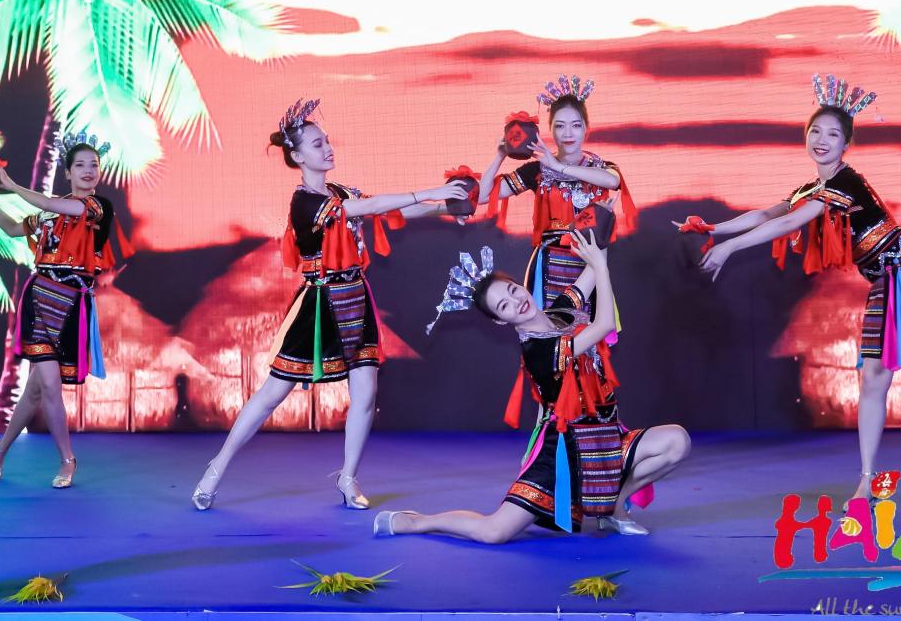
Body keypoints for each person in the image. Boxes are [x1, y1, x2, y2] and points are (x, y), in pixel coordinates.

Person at [682, 75, 901, 505]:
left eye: (832, 134)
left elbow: (788, 223)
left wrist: (729, 248)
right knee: (873, 379)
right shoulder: (811, 189)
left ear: (846, 144)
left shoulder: (846, 182)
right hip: (884, 280)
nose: (822, 140)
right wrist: (712, 229)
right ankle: (867, 480)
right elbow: (766, 214)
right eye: (815, 131)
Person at [191, 99, 468, 510]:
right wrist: (430, 191)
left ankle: (348, 477)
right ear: (298, 156)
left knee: (366, 393)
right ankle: (217, 466)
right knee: (271, 395)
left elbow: (387, 212)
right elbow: (367, 207)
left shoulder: (340, 191)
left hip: (356, 297)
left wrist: (445, 207)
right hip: (319, 304)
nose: (328, 148)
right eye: (318, 144)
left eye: (327, 141)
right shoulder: (305, 202)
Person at [373, 233, 689, 542]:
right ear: (500, 320)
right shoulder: (538, 351)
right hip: (564, 451)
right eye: (504, 306)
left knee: (677, 441)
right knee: (494, 532)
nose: (517, 302)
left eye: (513, 290)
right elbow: (603, 323)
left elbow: (591, 271)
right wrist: (601, 266)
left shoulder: (560, 313)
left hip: (605, 437)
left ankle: (614, 508)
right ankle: (418, 522)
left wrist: (601, 227)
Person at [0, 130, 125, 488]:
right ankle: (67, 460)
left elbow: (50, 204)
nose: (88, 171)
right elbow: (12, 228)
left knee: (35, 392)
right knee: (48, 385)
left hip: (71, 306)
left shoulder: (97, 208)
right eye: (81, 165)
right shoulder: (50, 214)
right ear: (68, 172)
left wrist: (11, 185)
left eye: (94, 165)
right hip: (39, 301)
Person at [477, 75, 636, 317]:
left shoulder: (601, 168)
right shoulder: (537, 170)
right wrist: (500, 155)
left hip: (590, 264)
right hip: (549, 266)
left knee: (592, 331)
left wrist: (559, 167)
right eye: (560, 126)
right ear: (550, 129)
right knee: (549, 331)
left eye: (576, 125)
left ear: (586, 128)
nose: (568, 133)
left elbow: (613, 181)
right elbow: (482, 196)